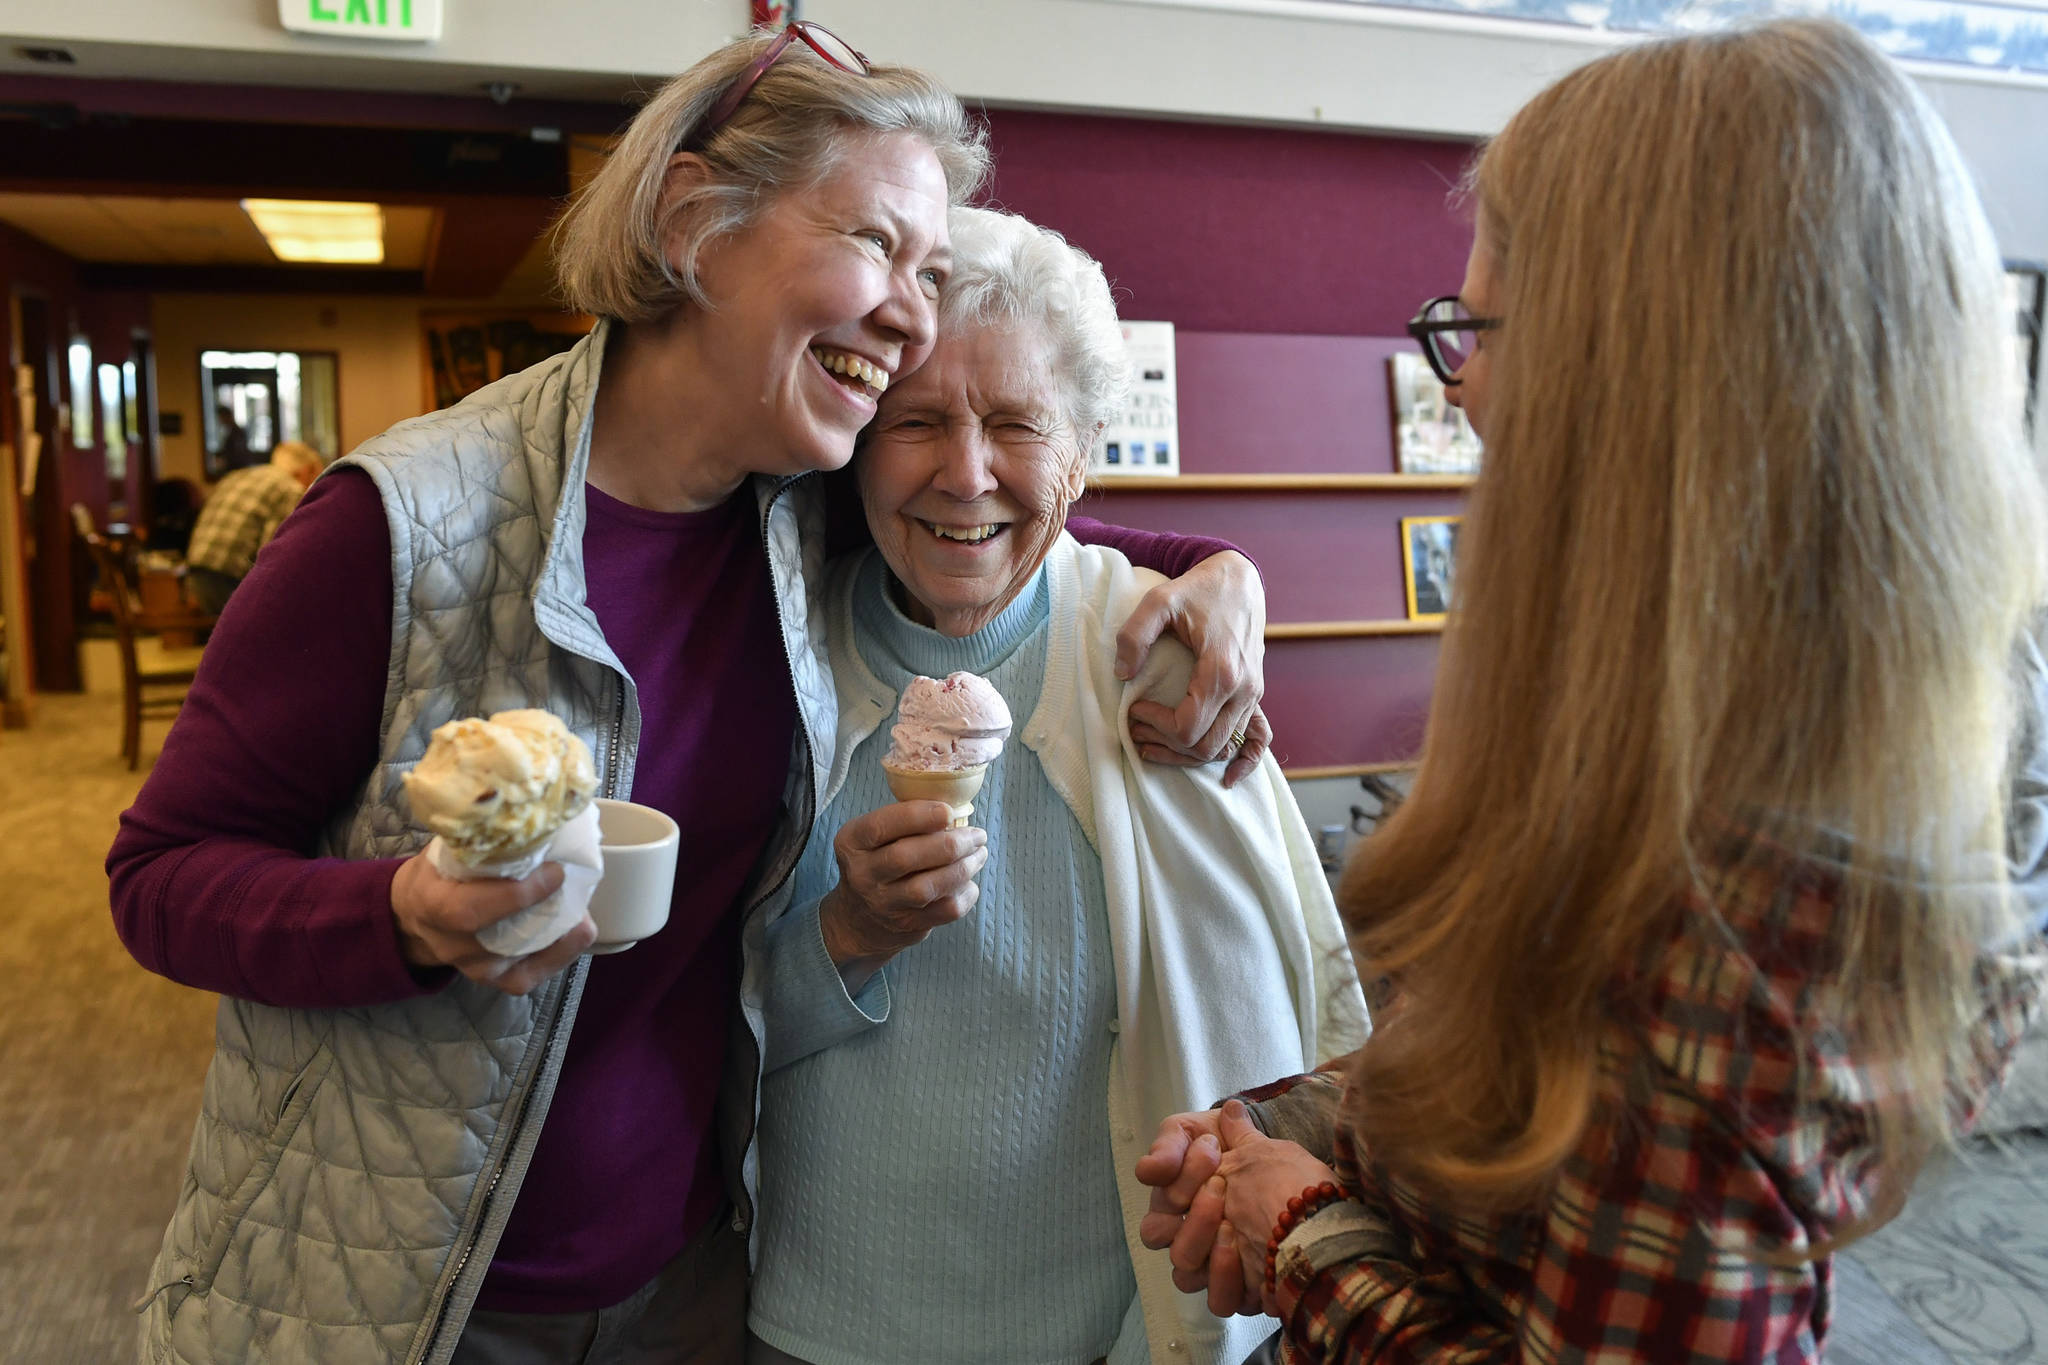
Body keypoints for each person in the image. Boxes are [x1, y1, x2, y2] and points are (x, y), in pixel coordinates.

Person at [109, 25, 1268, 1365]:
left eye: (932, 270)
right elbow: (159, 875)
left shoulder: (797, 509)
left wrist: (1219, 572)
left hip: (689, 1273)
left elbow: (1008, 515)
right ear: (693, 218)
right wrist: (407, 915)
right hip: (403, 1290)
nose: (911, 309)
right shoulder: (401, 525)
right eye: (879, 245)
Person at [1135, 19, 2047, 1362]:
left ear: (1634, 390)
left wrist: (1312, 1239)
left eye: (1484, 331)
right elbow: (1552, 1110)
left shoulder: (1722, 924)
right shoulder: (1753, 781)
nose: (1469, 393)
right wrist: (1321, 1123)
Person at [743, 207, 1368, 1365]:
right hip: (820, 1321)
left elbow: (1266, 1018)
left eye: (1017, 425)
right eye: (915, 420)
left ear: (1081, 450)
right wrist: (843, 936)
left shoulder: (1160, 663)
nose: (962, 474)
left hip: (1104, 1331)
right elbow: (683, 1036)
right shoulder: (775, 664)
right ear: (857, 445)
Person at [181, 440, 325, 613]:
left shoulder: (237, 476)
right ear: (306, 470)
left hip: (196, 572)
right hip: (229, 578)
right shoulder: (289, 488)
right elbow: (274, 552)